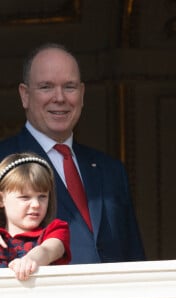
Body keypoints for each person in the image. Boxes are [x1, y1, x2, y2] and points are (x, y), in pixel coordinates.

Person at [0, 43, 145, 264]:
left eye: (69, 87)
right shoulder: (3, 160)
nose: (59, 98)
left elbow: (134, 256)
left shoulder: (111, 170)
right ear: (25, 95)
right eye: (46, 87)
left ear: (82, 94)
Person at [0, 152, 71, 281]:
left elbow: (48, 250)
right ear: (1, 199)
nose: (36, 204)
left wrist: (31, 260)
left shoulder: (55, 229)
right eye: (25, 197)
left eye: (42, 196)